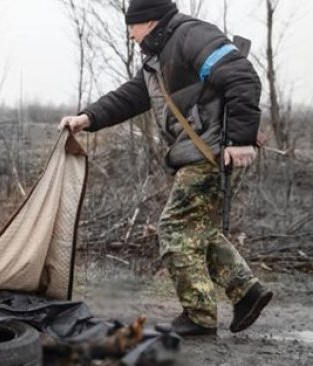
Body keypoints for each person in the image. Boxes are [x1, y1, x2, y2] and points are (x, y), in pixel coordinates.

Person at [58, 0, 272, 336]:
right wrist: (88, 118)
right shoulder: (158, 58)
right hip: (200, 152)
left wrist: (240, 140)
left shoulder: (190, 35)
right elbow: (131, 96)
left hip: (212, 150)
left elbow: (241, 76)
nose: (129, 34)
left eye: (132, 26)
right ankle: (247, 292)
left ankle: (199, 316)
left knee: (174, 229)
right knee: (196, 229)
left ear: (150, 21)